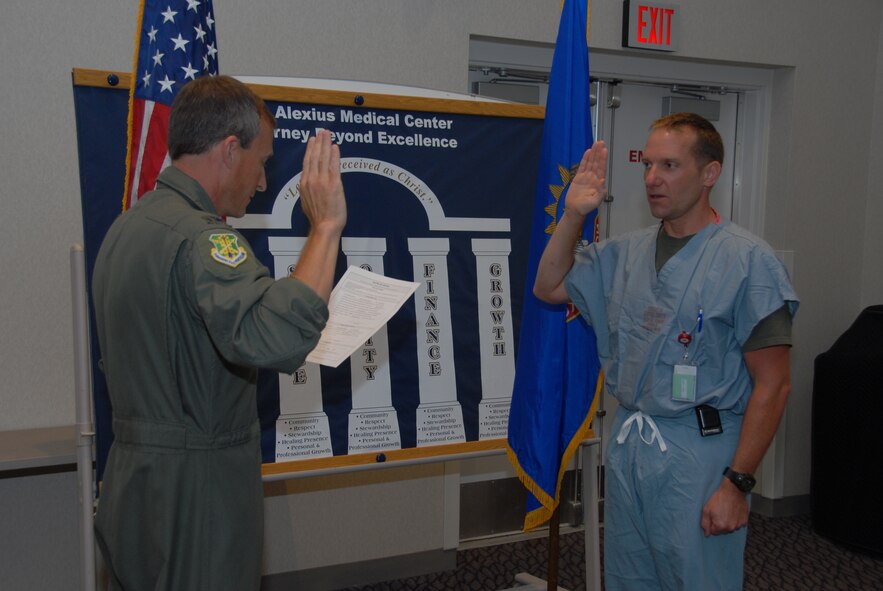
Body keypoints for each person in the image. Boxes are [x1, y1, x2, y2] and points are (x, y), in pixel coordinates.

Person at [91, 75, 346, 591]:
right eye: (263, 161)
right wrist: (325, 228)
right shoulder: (202, 240)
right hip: (195, 493)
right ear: (231, 149)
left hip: (134, 486)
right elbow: (275, 336)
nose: (261, 182)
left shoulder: (127, 227)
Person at [534, 112, 798, 590]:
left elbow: (774, 385)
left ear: (710, 173)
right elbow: (549, 285)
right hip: (633, 444)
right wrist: (573, 214)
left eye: (670, 166)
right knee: (629, 577)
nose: (653, 178)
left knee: (697, 580)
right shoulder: (623, 254)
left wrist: (736, 484)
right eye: (648, 165)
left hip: (701, 452)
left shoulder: (747, 261)